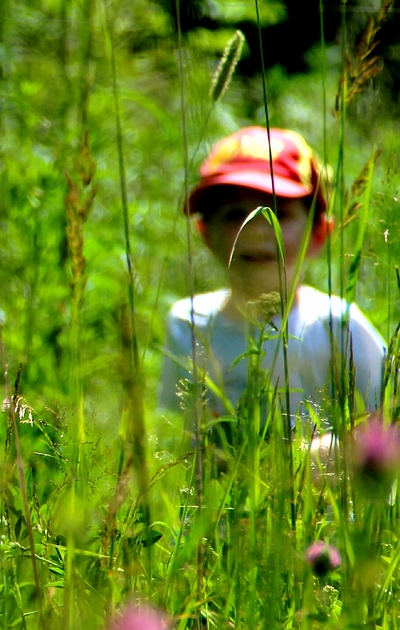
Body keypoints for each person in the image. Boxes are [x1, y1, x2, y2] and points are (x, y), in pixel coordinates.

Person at [158, 126, 386, 433]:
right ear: (205, 233)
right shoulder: (189, 325)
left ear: (319, 233)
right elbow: (175, 438)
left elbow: (399, 434)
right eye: (235, 214)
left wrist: (318, 460)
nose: (255, 229)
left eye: (278, 212)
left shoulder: (338, 327)